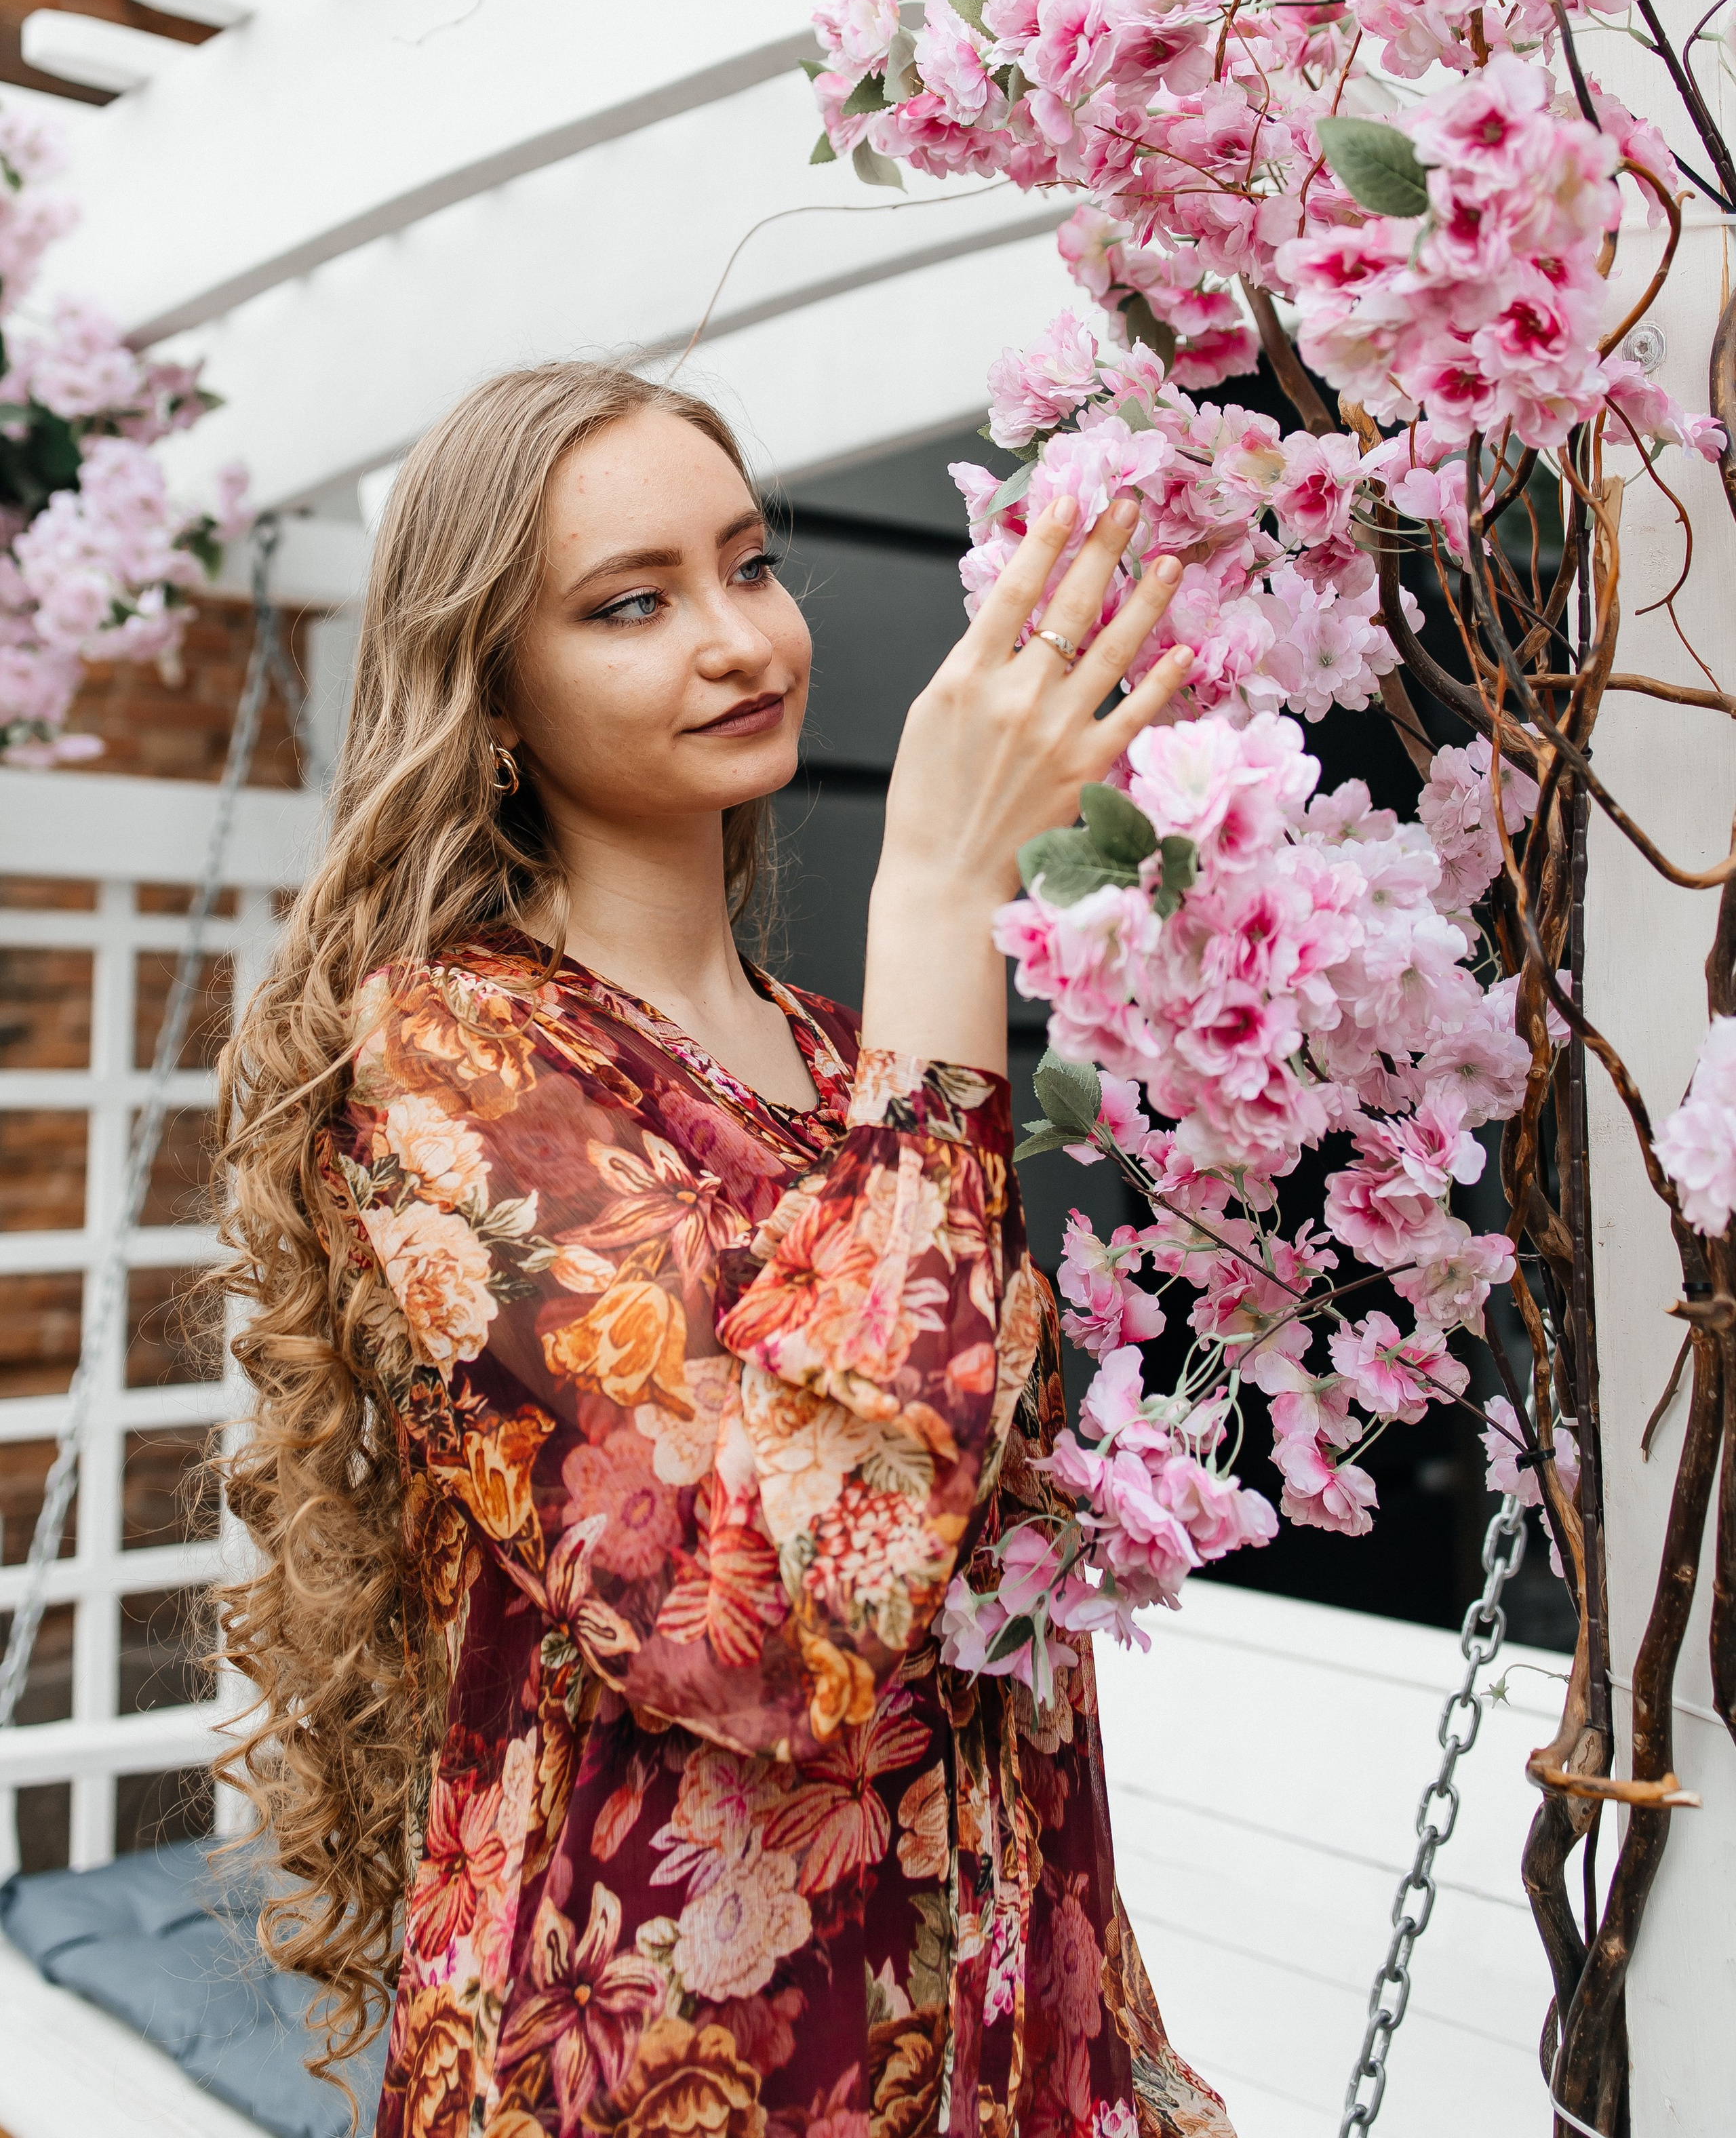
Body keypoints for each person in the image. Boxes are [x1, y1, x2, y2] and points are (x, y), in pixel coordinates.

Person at [214, 361, 1234, 2138]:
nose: (739, 637)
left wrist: (1106, 2053)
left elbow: (998, 1655)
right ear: (498, 695)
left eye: (749, 564)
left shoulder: (866, 1063)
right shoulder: (455, 1065)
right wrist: (934, 893)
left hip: (989, 2047)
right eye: (634, 601)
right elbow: (766, 1637)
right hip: (667, 2062)